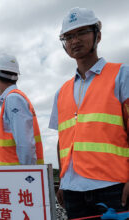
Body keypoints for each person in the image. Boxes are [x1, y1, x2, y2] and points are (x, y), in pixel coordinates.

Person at [49, 7, 129, 219]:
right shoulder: (61, 92)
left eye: (82, 32)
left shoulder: (121, 75)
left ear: (98, 35)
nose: (75, 40)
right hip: (73, 192)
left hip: (114, 187)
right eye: (69, 36)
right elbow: (62, 141)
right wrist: (64, 181)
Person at [0, 54, 44, 166]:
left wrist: (29, 177)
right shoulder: (16, 98)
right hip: (13, 178)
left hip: (14, 179)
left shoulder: (13, 99)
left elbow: (25, 145)